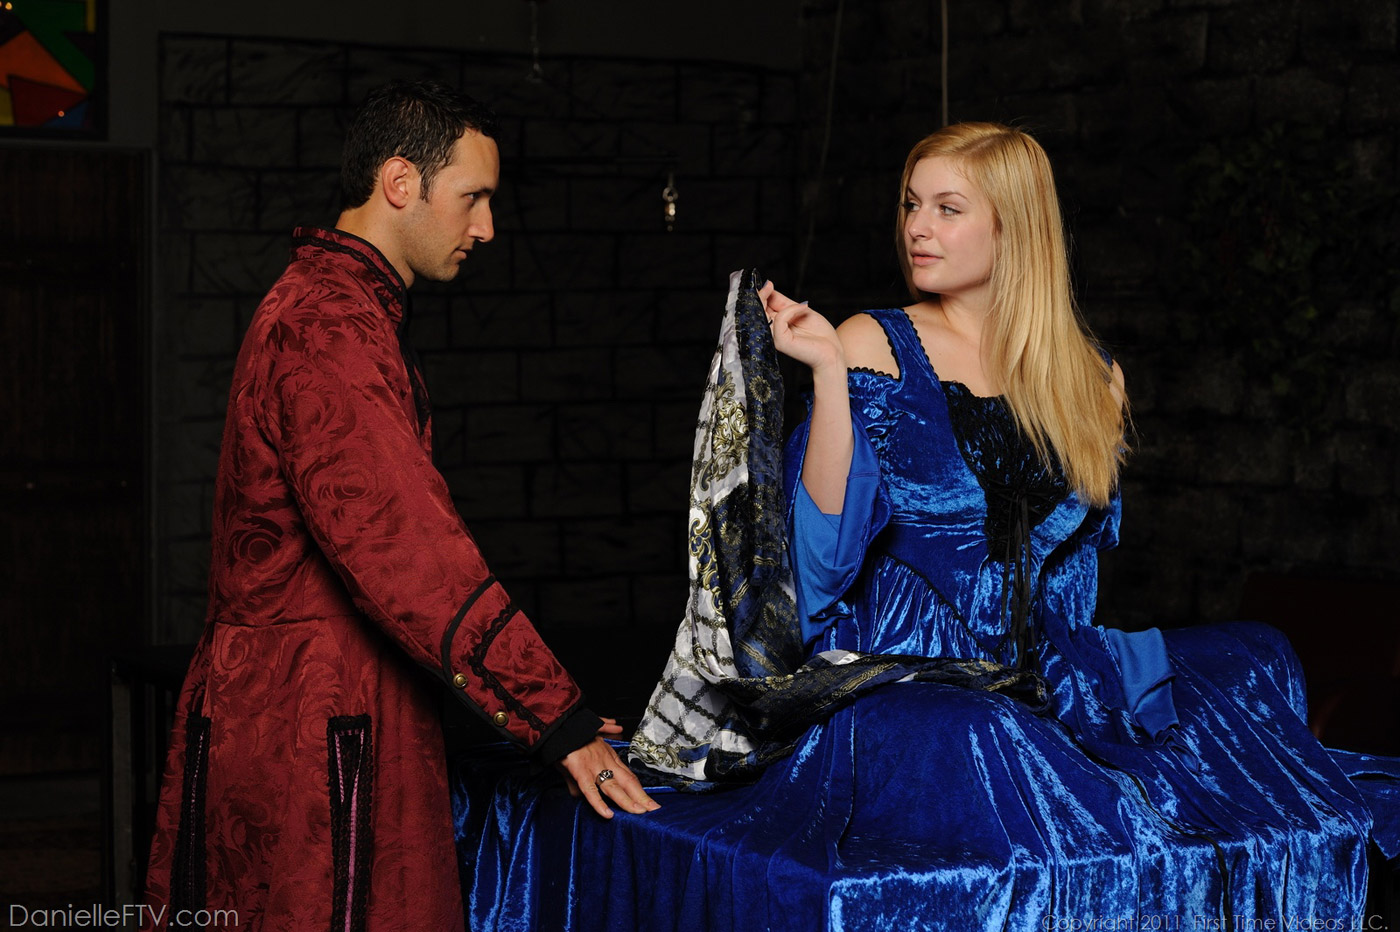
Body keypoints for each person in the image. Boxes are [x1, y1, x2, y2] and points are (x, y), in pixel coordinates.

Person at [453, 123, 1398, 930]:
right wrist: (827, 375)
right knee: (983, 727)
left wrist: (1080, 682)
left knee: (1255, 656)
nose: (917, 227)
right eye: (912, 204)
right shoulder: (874, 341)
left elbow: (1078, 576)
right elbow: (816, 572)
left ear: (1013, 227)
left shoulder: (1092, 373)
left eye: (948, 209)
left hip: (1046, 668)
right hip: (903, 677)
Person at [141, 80, 657, 932]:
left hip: (299, 700)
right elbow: (407, 551)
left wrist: (529, 711)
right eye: (473, 197)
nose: (486, 228)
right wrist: (552, 716)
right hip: (311, 717)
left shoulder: (338, 306)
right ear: (400, 182)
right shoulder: (327, 324)